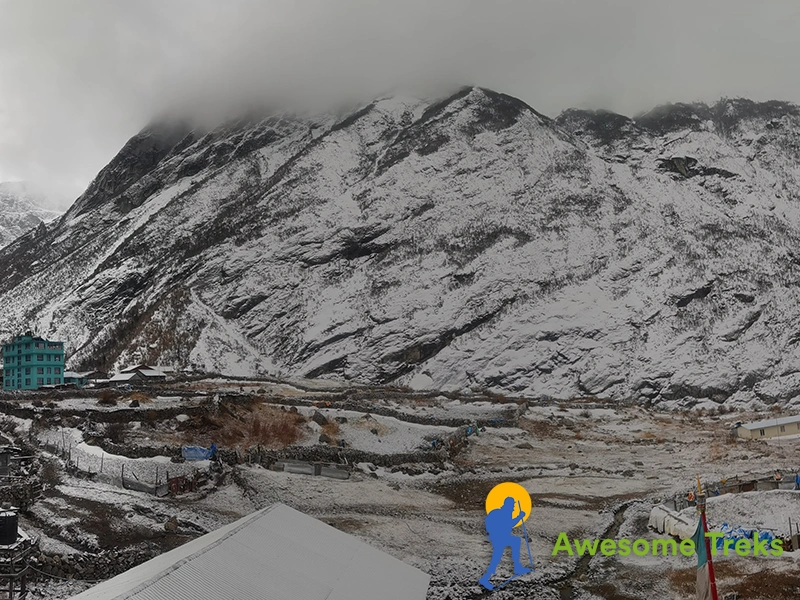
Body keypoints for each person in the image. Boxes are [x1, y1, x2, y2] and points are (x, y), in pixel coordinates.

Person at [479, 497, 531, 590]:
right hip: (499, 538)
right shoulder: (504, 513)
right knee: (496, 558)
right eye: (513, 505)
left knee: (514, 542)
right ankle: (485, 578)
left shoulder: (505, 512)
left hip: (500, 537)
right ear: (509, 505)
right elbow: (509, 524)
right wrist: (519, 517)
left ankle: (517, 567)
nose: (514, 507)